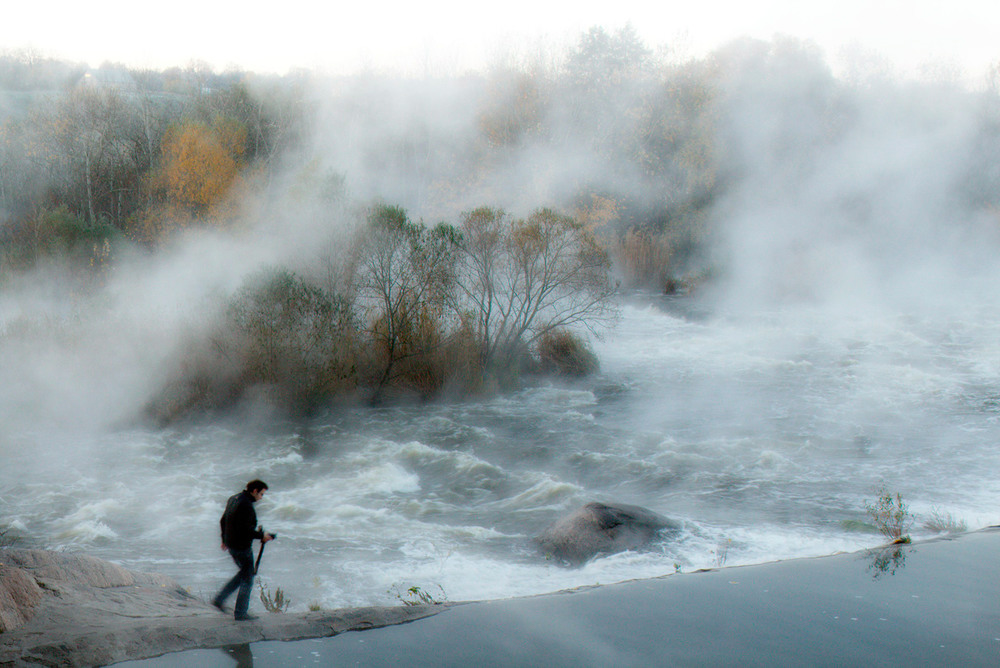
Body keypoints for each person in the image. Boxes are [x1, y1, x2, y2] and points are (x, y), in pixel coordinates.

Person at [212, 479, 274, 620]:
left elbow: (223, 520)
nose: (261, 498)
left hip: (231, 544)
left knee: (244, 574)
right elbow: (246, 530)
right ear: (254, 491)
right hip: (242, 547)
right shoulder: (246, 505)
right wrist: (262, 536)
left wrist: (224, 539)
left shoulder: (234, 499)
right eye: (261, 494)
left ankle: (219, 599)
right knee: (247, 578)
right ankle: (240, 613)